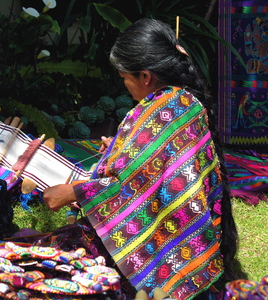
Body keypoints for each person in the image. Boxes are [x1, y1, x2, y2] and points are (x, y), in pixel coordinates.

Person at [42, 18, 240, 299]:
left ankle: (158, 283)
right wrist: (118, 150)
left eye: (125, 78)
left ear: (145, 77)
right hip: (189, 240)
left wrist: (72, 192)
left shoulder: (160, 112)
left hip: (169, 242)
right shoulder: (183, 101)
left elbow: (133, 183)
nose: (125, 85)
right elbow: (151, 163)